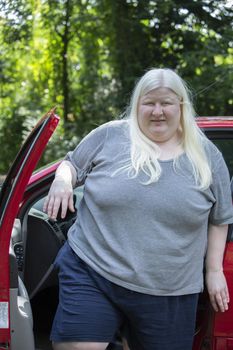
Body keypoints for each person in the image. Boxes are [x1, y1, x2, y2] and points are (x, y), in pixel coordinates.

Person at [43, 68, 233, 350]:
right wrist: (62, 180)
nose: (157, 111)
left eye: (166, 103)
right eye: (149, 103)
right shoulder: (111, 136)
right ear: (137, 105)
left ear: (181, 106)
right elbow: (71, 164)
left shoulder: (206, 156)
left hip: (169, 289)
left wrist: (214, 270)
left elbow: (220, 218)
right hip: (94, 270)